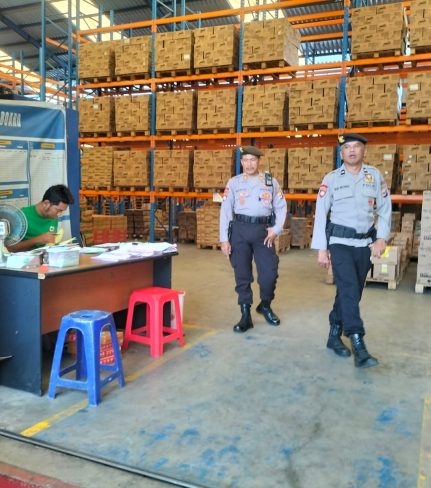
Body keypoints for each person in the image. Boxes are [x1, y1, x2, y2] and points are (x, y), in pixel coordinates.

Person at [311, 133, 392, 368]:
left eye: (357, 146)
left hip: (364, 245)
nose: (352, 150)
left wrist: (381, 238)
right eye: (347, 147)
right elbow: (320, 215)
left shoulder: (374, 176)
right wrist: (321, 249)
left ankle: (333, 335)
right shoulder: (331, 179)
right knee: (348, 288)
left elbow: (385, 209)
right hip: (339, 243)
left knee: (352, 292)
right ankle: (358, 343)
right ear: (341, 153)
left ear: (364, 151)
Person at [220, 145, 287, 333]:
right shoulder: (234, 183)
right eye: (246, 160)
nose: (249, 164)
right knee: (242, 274)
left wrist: (276, 229)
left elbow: (281, 206)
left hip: (263, 232)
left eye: (253, 160)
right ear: (241, 162)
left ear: (259, 161)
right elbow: (226, 211)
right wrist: (224, 239)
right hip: (240, 230)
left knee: (269, 273)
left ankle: (265, 305)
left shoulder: (270, 182)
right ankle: (245, 315)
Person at [7, 184, 75, 252]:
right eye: (58, 210)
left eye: (62, 211)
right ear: (46, 203)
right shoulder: (20, 217)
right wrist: (38, 239)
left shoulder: (52, 216)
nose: (59, 214)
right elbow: (9, 248)